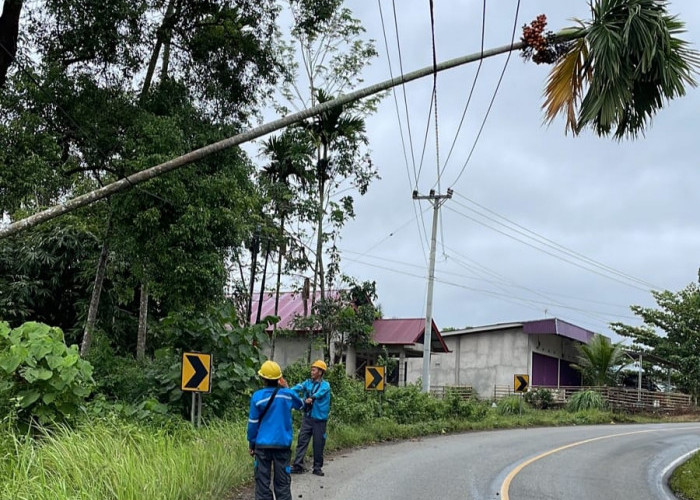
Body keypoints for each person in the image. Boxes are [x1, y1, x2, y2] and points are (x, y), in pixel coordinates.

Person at [247, 360, 304, 500]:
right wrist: (286, 387)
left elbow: (253, 424)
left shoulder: (257, 397)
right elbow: (301, 404)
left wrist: (251, 444)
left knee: (262, 483)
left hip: (262, 446)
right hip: (282, 445)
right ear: (279, 379)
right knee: (283, 483)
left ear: (263, 379)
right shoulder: (287, 394)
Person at [290, 359, 331, 476]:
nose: (311, 372)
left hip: (320, 419)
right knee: (302, 441)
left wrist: (311, 398)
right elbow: (297, 388)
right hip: (308, 418)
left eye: (314, 370)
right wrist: (287, 391)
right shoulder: (307, 383)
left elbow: (320, 393)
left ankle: (317, 467)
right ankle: (298, 465)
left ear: (320, 372)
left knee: (318, 444)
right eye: (311, 370)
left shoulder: (325, 385)